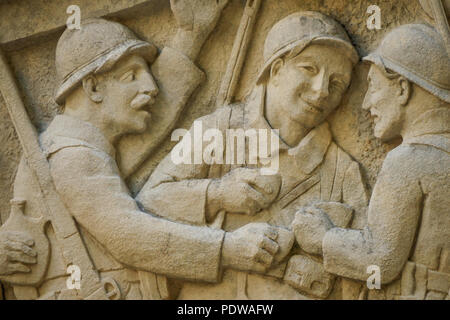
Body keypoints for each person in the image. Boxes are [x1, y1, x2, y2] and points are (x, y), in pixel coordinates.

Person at [1, 3, 286, 300]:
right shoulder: (70, 154)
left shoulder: (87, 144)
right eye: (132, 76)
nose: (151, 86)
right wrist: (228, 248)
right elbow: (128, 235)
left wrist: (191, 34)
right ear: (94, 88)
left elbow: (154, 124)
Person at [137, 11, 369, 299]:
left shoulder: (342, 170)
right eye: (309, 69)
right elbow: (149, 201)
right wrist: (217, 193)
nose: (322, 90)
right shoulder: (216, 129)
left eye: (337, 83)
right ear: (276, 69)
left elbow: (365, 266)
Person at [292, 23, 450, 300]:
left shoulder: (407, 161)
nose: (365, 104)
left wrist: (323, 238)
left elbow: (381, 259)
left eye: (374, 87)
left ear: (402, 89)